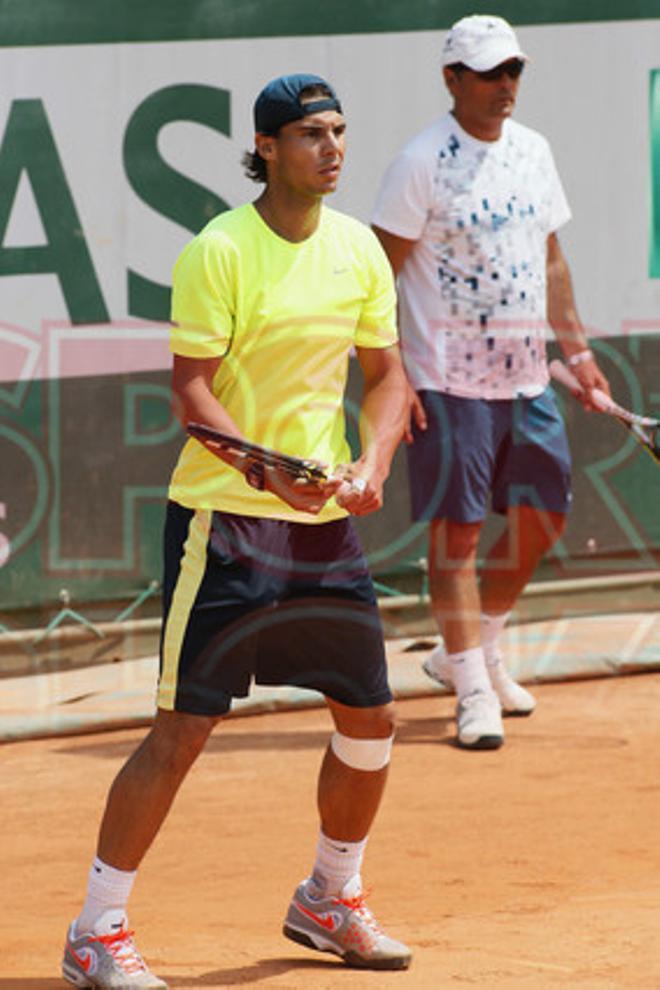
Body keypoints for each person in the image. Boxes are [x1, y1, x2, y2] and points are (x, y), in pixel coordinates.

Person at [62, 73, 412, 988]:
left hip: (323, 528)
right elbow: (191, 392)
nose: (332, 148)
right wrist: (267, 469)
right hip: (224, 523)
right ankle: (97, 929)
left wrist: (370, 463)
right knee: (182, 729)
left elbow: (387, 376)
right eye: (309, 134)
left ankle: (331, 895)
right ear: (264, 148)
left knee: (371, 720)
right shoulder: (220, 250)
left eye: (339, 131)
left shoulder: (358, 251)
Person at [371, 15, 610, 750]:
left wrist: (577, 350)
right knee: (461, 536)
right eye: (488, 73)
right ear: (452, 79)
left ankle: (469, 651)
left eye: (513, 72)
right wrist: (394, 375)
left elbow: (554, 259)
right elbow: (377, 275)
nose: (505, 85)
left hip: (528, 375)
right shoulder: (420, 162)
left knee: (545, 517)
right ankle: (474, 691)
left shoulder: (534, 151)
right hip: (446, 381)